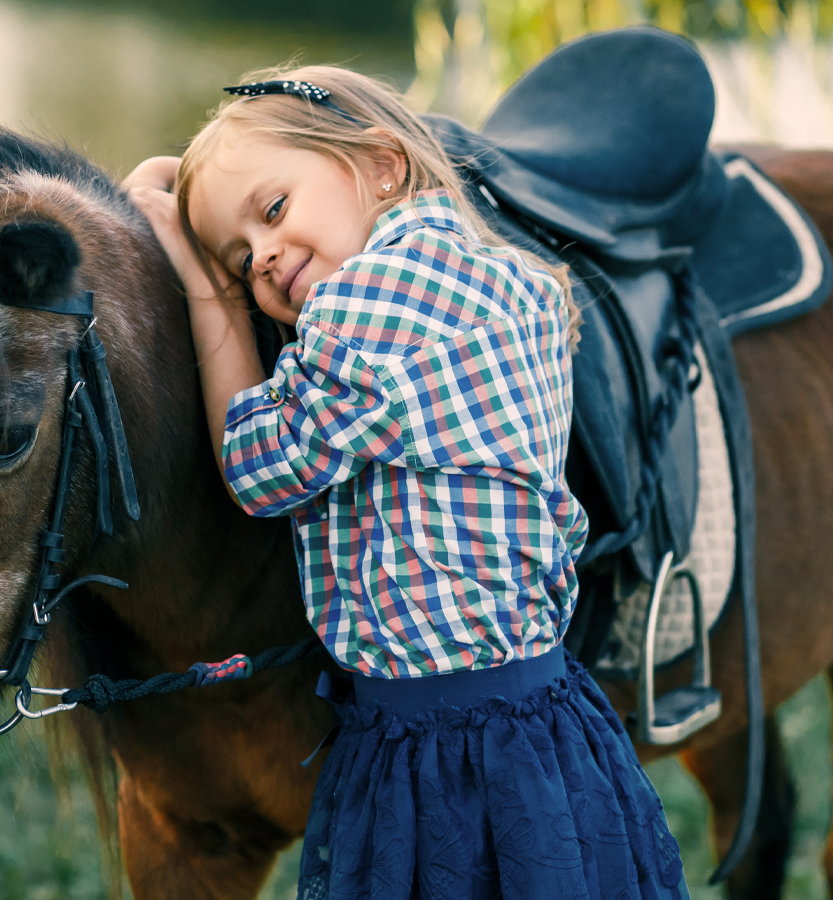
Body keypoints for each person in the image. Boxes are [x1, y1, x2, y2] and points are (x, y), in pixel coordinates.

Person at [123, 63, 688, 900]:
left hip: (442, 741)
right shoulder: (487, 272)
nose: (266, 256)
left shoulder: (375, 304)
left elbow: (258, 468)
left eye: (274, 210)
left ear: (382, 166)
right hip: (536, 720)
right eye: (240, 260)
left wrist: (205, 287)